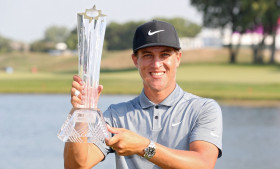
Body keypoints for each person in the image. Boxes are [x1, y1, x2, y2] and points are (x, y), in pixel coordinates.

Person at [65, 20, 223, 169]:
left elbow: (203, 164)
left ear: (178, 58)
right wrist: (81, 114)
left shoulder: (203, 109)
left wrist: (143, 147)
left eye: (165, 55)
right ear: (135, 60)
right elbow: (76, 166)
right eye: (147, 55)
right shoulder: (116, 115)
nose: (156, 64)